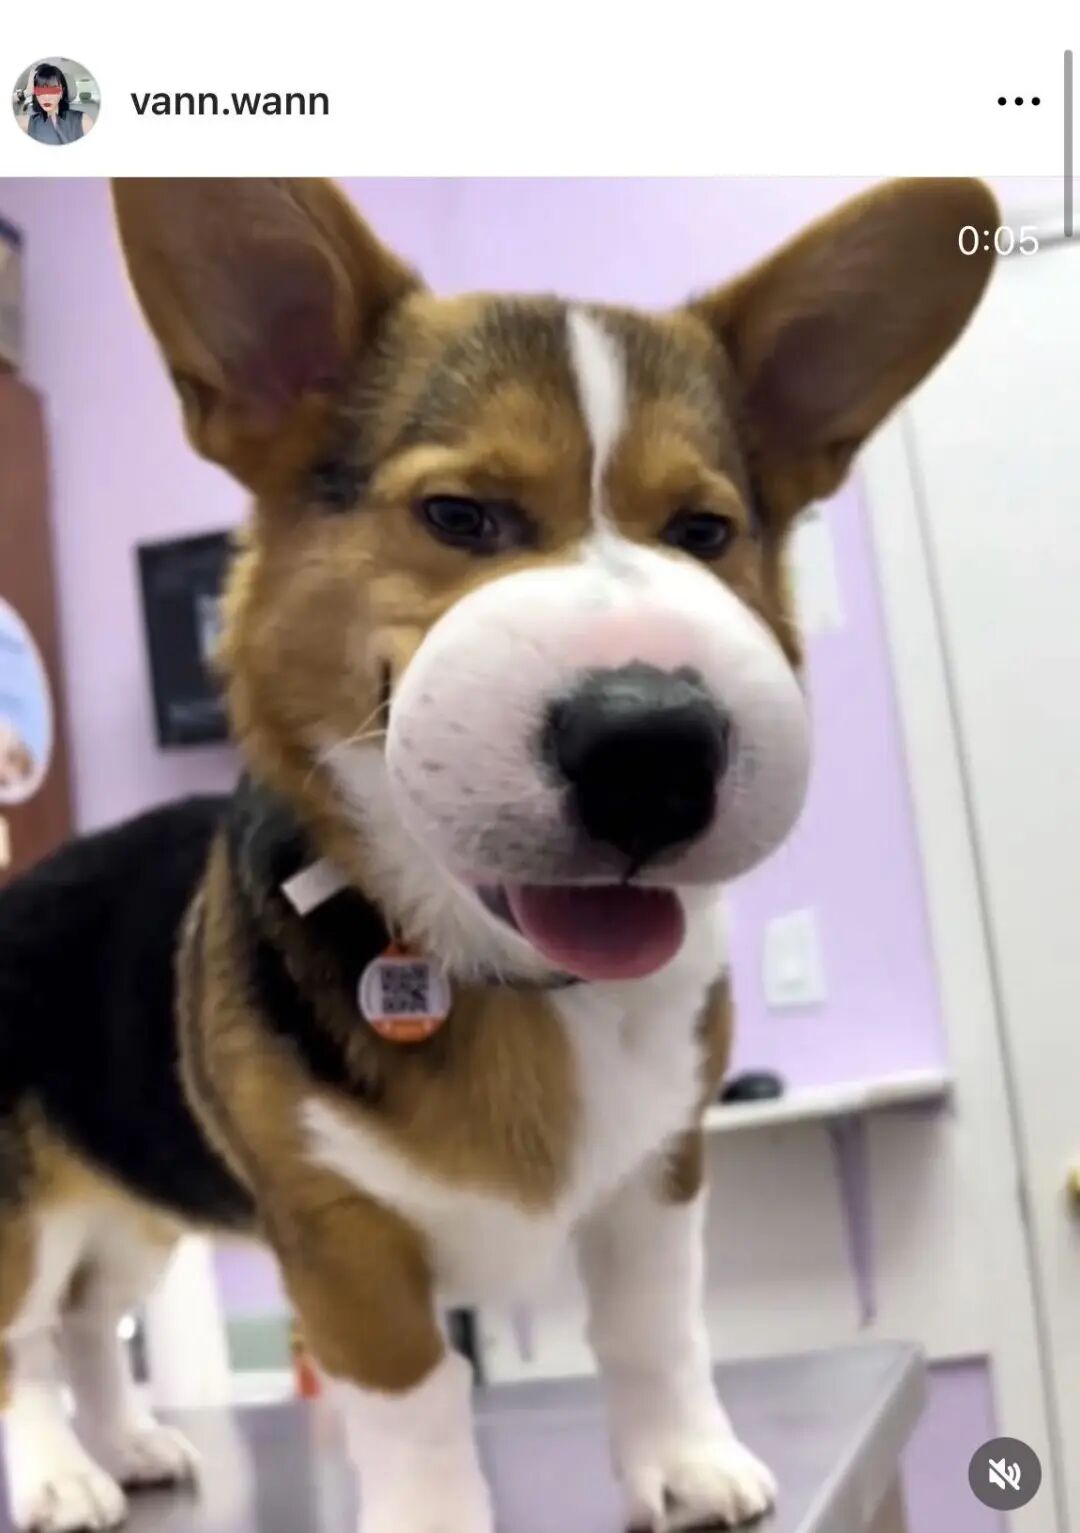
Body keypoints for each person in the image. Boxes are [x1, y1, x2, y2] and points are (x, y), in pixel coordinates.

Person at [18, 63, 93, 144]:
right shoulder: (27, 122)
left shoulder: (84, 121)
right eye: (40, 90)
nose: (46, 97)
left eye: (53, 90)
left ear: (61, 93)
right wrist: (26, 93)